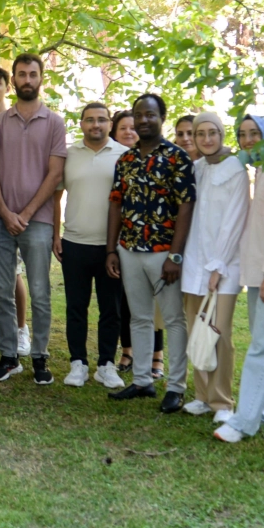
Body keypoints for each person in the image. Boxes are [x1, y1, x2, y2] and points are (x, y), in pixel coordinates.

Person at [105, 93, 195, 409]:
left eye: (150, 115)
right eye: (139, 114)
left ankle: (176, 387)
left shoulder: (177, 158)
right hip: (129, 249)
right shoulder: (125, 160)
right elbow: (115, 204)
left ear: (162, 118)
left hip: (163, 252)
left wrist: (175, 255)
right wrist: (111, 250)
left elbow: (186, 207)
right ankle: (142, 381)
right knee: (139, 317)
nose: (143, 120)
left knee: (173, 319)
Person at [0, 52, 68, 384]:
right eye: (21, 74)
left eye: (33, 74)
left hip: (39, 221)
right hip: (1, 220)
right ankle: (8, 356)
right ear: (13, 80)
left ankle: (40, 357)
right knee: (3, 291)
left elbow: (55, 174)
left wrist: (26, 214)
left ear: (41, 78)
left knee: (40, 292)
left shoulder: (55, 123)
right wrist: (5, 212)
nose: (27, 80)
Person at [214, 114, 264, 444]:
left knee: (262, 346)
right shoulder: (261, 168)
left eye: (254, 133)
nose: (247, 140)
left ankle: (243, 421)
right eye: (242, 134)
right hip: (259, 272)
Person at [53, 102, 127, 388]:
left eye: (101, 119)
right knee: (76, 307)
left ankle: (106, 364)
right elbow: (56, 197)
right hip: (75, 242)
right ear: (81, 123)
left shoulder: (123, 155)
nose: (96, 124)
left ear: (110, 123)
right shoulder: (69, 154)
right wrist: (55, 235)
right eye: (90, 120)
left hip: (112, 248)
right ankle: (78, 363)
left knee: (111, 309)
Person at [179, 111, 248, 419]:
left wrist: (218, 266)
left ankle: (222, 401)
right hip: (194, 262)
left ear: (222, 135)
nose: (206, 139)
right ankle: (202, 395)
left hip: (225, 265)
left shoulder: (236, 169)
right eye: (200, 134)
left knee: (219, 332)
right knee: (197, 330)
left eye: (212, 133)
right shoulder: (196, 169)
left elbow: (235, 219)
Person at [109, 108, 161, 379]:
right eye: (123, 128)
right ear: (114, 132)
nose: (129, 132)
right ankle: (128, 350)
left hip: (155, 243)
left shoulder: (158, 158)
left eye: (133, 127)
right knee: (124, 300)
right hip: (121, 240)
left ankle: (156, 355)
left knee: (154, 302)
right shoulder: (118, 160)